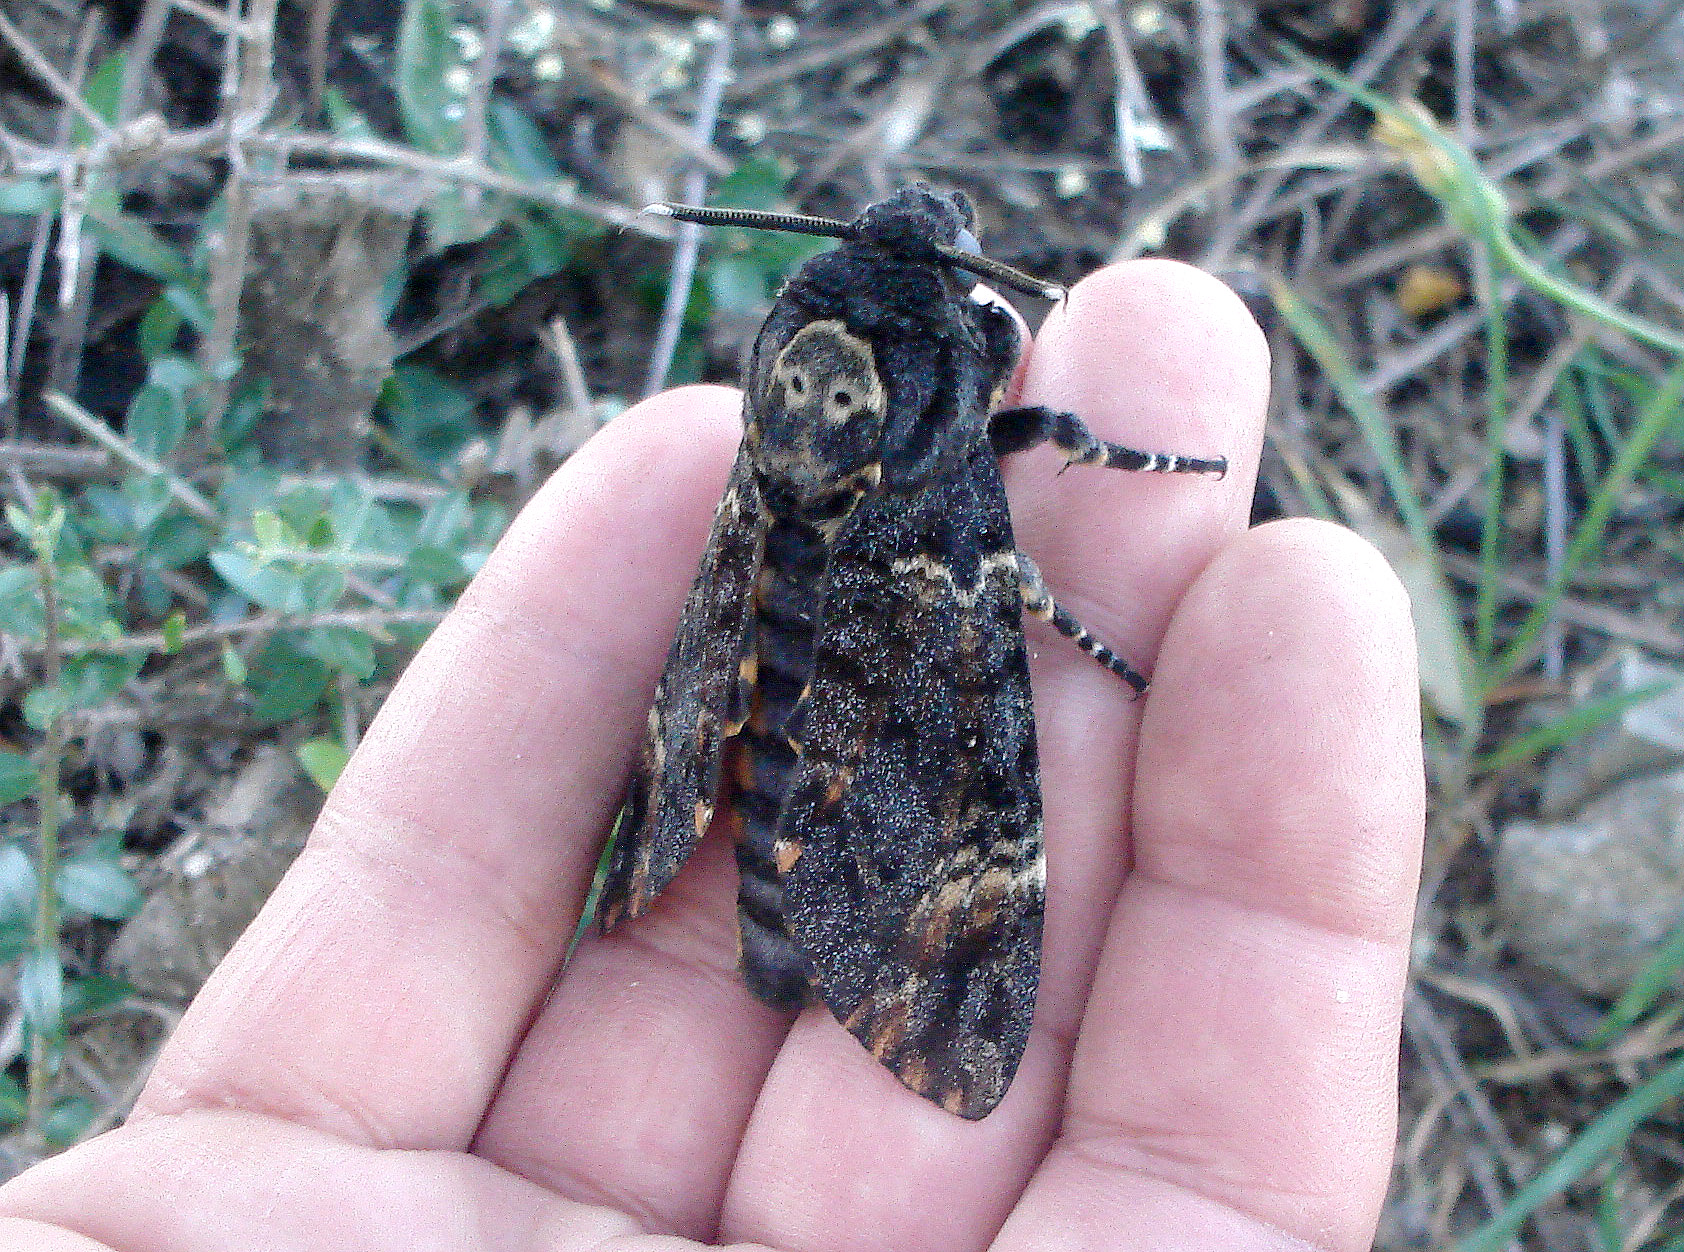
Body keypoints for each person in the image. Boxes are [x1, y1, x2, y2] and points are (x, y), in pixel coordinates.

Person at [0, 260, 1423, 1251]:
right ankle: (840, 945)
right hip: (920, 621)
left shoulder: (804, 375)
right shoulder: (956, 399)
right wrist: (1077, 607)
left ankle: (764, 912)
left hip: (769, 592)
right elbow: (1029, 445)